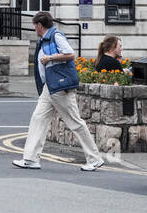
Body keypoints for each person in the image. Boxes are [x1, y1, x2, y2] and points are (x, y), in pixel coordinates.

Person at [13, 11, 105, 172]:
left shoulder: (56, 36)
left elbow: (70, 54)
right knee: (38, 119)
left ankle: (95, 158)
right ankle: (31, 159)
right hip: (50, 87)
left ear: (39, 25)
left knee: (75, 122)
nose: (34, 29)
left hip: (61, 86)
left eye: (35, 26)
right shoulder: (44, 39)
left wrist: (50, 58)